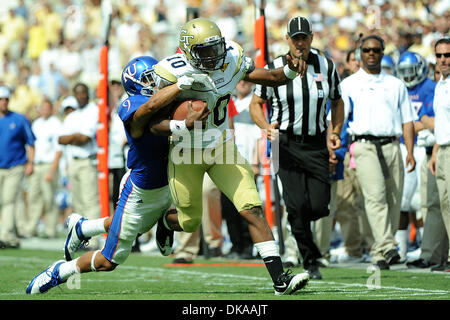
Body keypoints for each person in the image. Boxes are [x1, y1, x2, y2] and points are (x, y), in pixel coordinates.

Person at [150, 17, 310, 295]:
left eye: (216, 48)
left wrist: (291, 71)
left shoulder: (232, 57)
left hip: (222, 147)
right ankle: (166, 222)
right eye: (205, 51)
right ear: (187, 50)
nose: (213, 57)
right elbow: (151, 114)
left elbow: (271, 77)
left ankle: (279, 279)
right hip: (185, 151)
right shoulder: (170, 70)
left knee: (251, 207)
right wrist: (182, 117)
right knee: (189, 220)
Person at [25, 56, 210, 294]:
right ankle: (60, 271)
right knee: (109, 261)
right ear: (135, 83)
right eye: (148, 77)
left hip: (164, 182)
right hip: (140, 190)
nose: (155, 80)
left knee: (187, 219)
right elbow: (151, 112)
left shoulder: (164, 96)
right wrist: (181, 89)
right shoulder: (130, 104)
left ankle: (86, 227)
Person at [250, 16, 345, 280]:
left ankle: (310, 251)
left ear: (312, 38)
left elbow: (337, 101)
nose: (300, 42)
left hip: (315, 144)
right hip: (284, 143)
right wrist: (265, 127)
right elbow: (255, 104)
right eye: (296, 37)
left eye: (305, 37)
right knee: (295, 205)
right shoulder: (274, 67)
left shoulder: (325, 65)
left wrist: (335, 131)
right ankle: (311, 260)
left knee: (318, 206)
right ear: (287, 40)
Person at [340, 34, 416, 270]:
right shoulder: (349, 84)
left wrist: (410, 151)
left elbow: (407, 120)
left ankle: (380, 253)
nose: (371, 54)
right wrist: (335, 141)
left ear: (383, 53)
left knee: (394, 199)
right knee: (375, 196)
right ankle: (387, 244)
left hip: (393, 144)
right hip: (363, 144)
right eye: (367, 51)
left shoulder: (396, 84)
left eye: (375, 50)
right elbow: (339, 118)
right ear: (360, 54)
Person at [395, 51, 436, 262]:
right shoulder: (399, 88)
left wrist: (411, 127)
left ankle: (423, 245)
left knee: (422, 200)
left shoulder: (430, 87)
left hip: (423, 148)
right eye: (405, 73)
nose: (408, 77)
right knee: (402, 200)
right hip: (404, 147)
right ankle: (400, 248)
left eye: (411, 72)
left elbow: (429, 120)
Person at [57, 82, 102, 249]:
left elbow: (85, 138)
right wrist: (75, 136)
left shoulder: (93, 111)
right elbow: (61, 139)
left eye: (83, 93)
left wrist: (73, 137)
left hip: (87, 160)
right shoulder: (72, 116)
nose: (81, 96)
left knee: (90, 201)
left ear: (87, 94)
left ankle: (94, 239)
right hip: (73, 161)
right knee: (78, 202)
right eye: (78, 94)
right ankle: (82, 237)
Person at [0, 86, 36, 249]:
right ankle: (9, 235)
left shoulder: (19, 119)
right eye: (1, 99)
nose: (4, 102)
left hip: (14, 166)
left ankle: (6, 236)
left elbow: (31, 142)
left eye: (6, 99)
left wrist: (30, 162)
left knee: (8, 200)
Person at [24, 98, 62, 238]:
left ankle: (51, 229)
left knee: (49, 198)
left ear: (51, 109)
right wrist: (30, 163)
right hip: (36, 163)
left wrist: (52, 169)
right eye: (43, 108)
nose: (45, 110)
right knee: (33, 197)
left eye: (47, 108)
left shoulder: (56, 124)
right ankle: (31, 228)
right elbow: (31, 146)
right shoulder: (36, 124)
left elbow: (59, 149)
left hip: (48, 164)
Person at [429, 37, 450, 272]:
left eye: (448, 55)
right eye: (440, 55)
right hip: (443, 149)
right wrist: (436, 153)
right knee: (445, 204)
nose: (443, 59)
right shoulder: (440, 84)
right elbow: (442, 125)